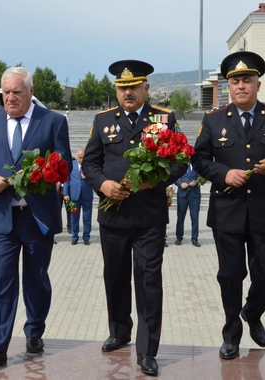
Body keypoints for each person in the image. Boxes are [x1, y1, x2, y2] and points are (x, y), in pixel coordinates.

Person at [82, 60, 186, 376]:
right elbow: (89, 163)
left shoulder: (164, 119)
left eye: (133, 86)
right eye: (122, 87)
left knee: (148, 281)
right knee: (114, 277)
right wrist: (102, 184)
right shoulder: (103, 121)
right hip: (112, 217)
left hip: (149, 218)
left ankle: (147, 350)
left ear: (146, 88)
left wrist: (152, 181)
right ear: (116, 89)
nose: (127, 92)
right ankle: (119, 331)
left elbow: (181, 163)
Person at [191, 51, 265, 360]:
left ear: (257, 85)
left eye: (247, 80)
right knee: (230, 276)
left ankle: (253, 312)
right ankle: (231, 333)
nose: (241, 86)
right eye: (235, 81)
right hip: (228, 211)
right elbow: (198, 159)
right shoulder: (213, 120)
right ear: (228, 86)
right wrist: (224, 174)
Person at [0, 67, 72, 365]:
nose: (10, 98)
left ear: (30, 91)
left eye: (17, 92)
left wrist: (41, 173)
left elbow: (64, 164)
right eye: (6, 93)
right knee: (1, 279)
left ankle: (35, 330)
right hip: (1, 216)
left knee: (36, 279)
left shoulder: (52, 121)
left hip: (37, 217)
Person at [63, 148, 94, 245]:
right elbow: (66, 179)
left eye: (83, 157)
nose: (81, 159)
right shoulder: (72, 165)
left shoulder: (89, 166)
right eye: (80, 157)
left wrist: (87, 177)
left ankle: (86, 237)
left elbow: (95, 178)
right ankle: (74, 237)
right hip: (74, 195)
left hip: (87, 195)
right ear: (76, 156)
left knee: (87, 218)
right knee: (74, 218)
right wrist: (66, 193)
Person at [174, 163, 202, 247]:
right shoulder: (181, 165)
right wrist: (180, 184)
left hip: (194, 195)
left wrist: (197, 182)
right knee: (180, 217)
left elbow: (203, 177)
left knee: (195, 217)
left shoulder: (197, 165)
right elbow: (174, 177)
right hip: (183, 194)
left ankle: (194, 238)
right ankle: (179, 237)